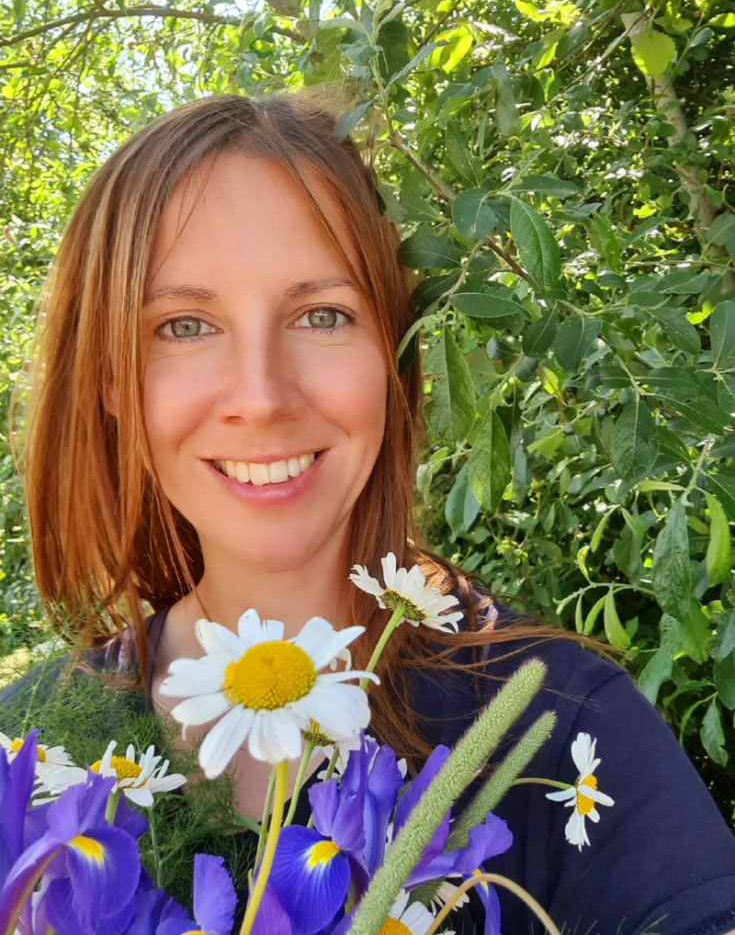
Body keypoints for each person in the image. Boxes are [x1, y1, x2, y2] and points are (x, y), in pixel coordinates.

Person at [9, 93, 735, 934]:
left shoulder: (563, 730)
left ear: (397, 358)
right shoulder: (27, 756)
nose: (262, 396)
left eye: (323, 315)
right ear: (107, 378)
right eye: (184, 325)